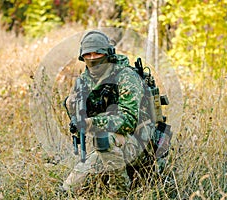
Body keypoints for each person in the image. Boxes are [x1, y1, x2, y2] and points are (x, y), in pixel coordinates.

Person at [62, 30, 157, 197]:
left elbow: (128, 120)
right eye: (88, 54)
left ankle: (119, 193)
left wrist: (92, 123)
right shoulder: (84, 81)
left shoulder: (126, 76)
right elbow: (81, 125)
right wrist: (73, 109)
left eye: (97, 53)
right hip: (108, 146)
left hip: (140, 141)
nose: (92, 58)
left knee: (104, 138)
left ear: (108, 54)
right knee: (69, 189)